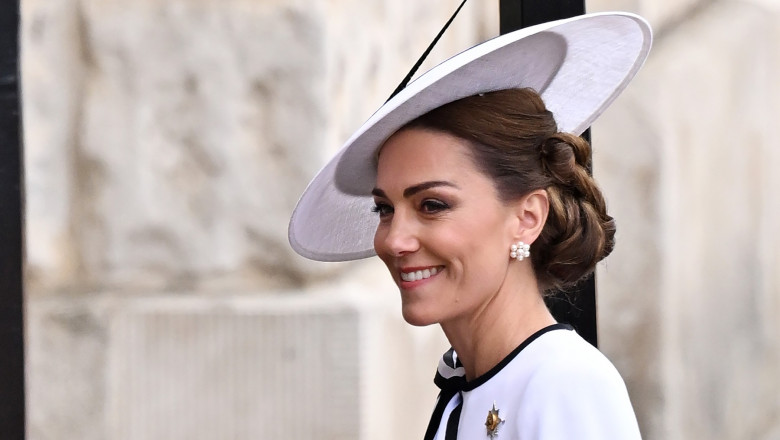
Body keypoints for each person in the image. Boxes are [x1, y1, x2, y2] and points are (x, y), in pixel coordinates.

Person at [289, 12, 652, 440]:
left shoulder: (565, 384)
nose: (394, 240)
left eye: (432, 205)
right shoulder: (466, 389)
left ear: (527, 218)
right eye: (384, 209)